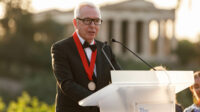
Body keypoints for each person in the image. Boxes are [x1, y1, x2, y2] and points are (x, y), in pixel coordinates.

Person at [51, 2, 120, 112]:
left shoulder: (105, 49)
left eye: (97, 21)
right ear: (75, 23)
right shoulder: (60, 48)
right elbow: (66, 84)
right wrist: (98, 101)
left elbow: (119, 80)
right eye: (87, 20)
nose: (93, 25)